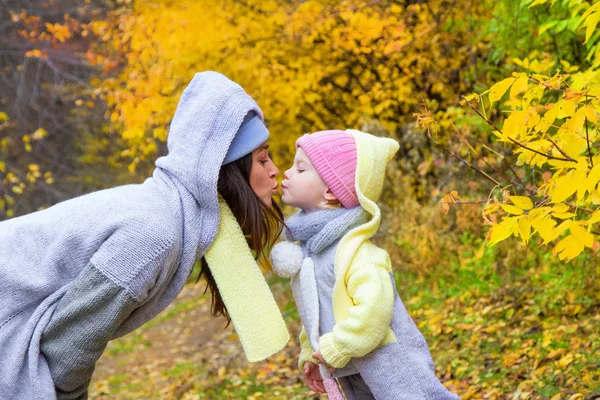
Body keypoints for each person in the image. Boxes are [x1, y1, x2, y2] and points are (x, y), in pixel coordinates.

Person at [0, 71, 290, 400]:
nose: (274, 170)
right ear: (225, 169)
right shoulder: (155, 235)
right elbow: (67, 350)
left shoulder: (168, 214)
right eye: (262, 158)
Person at [270, 129, 459, 399]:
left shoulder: (356, 252)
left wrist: (338, 345)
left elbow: (375, 311)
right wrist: (310, 353)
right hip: (352, 369)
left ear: (330, 192)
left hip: (391, 365)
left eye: (300, 169)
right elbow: (315, 310)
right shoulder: (311, 251)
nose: (286, 173)